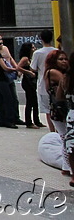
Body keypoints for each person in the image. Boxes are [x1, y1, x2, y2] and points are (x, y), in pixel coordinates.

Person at [53, 51, 74, 187]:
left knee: (71, 145)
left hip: (72, 114)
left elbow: (59, 97)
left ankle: (73, 175)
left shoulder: (66, 77)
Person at [32, 29, 57, 132]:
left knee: (48, 110)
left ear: (41, 39)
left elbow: (33, 68)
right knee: (57, 107)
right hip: (56, 83)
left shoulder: (37, 53)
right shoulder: (56, 51)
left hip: (43, 83)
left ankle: (52, 131)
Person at [18, 42, 43, 129]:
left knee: (35, 102)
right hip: (27, 81)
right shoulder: (25, 58)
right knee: (30, 102)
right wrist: (28, 72)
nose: (34, 49)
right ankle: (29, 122)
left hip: (32, 81)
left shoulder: (32, 57)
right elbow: (18, 67)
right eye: (32, 48)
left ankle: (37, 120)